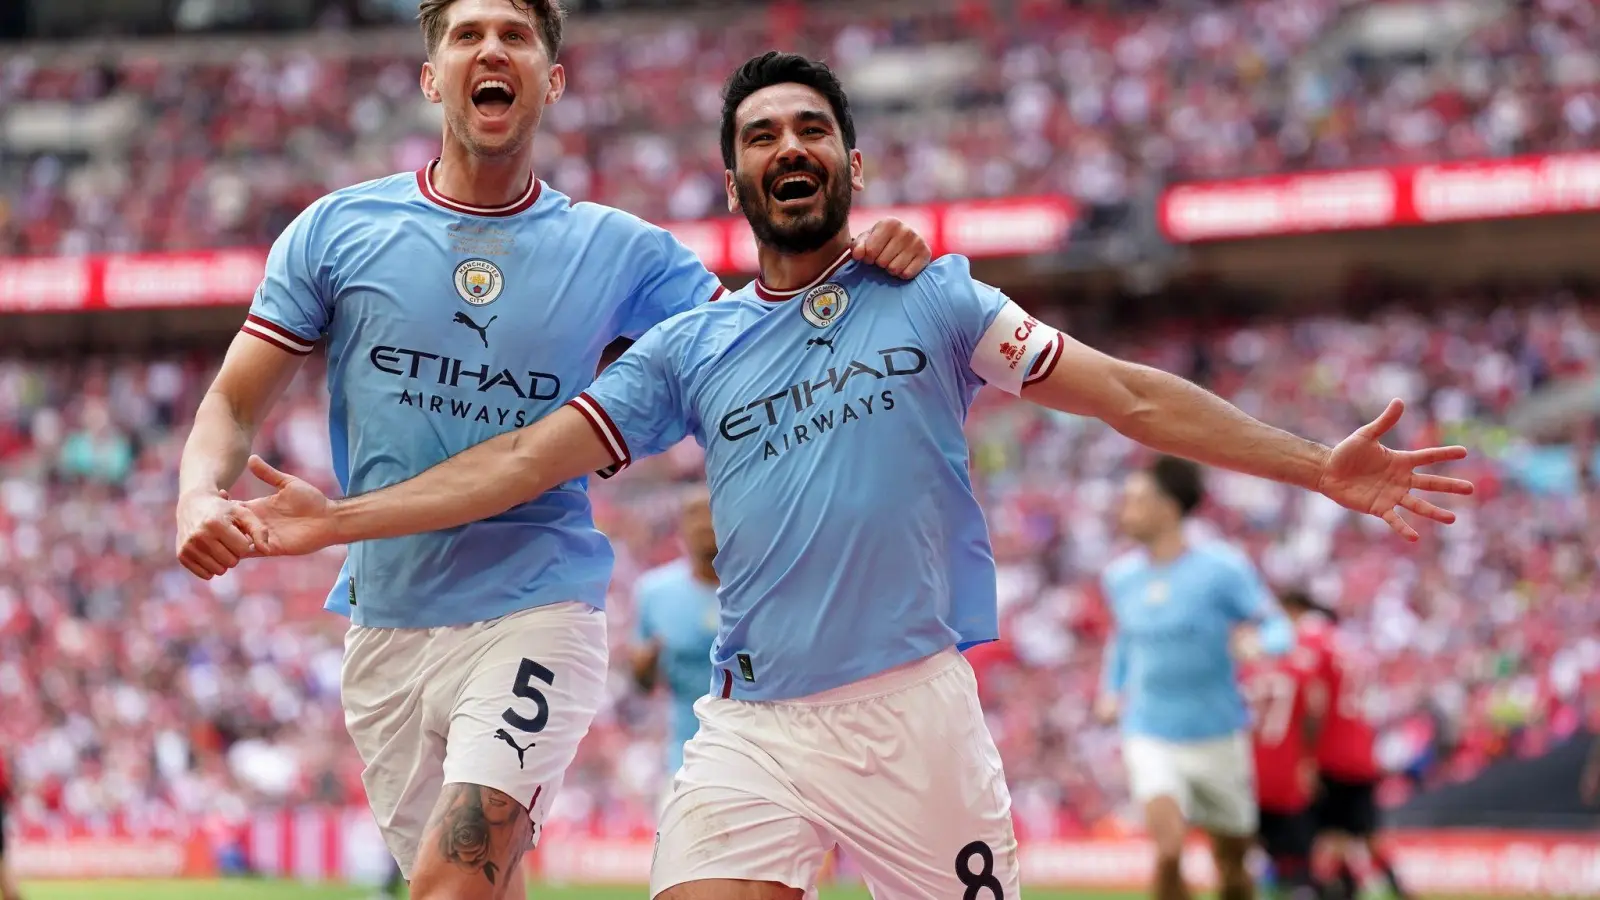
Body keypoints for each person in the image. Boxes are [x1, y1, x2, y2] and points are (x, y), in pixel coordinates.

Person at [229, 52, 1474, 900]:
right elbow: (516, 459)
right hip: (752, 729)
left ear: (851, 166)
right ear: (733, 181)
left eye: (811, 130)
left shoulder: (934, 298)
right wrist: (334, 520)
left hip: (914, 719)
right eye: (761, 135)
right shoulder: (689, 348)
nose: (788, 147)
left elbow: (1129, 394)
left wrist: (1317, 465)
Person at [170, 1, 933, 896]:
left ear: (551, 81)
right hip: (386, 627)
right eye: (466, 35)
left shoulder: (621, 252)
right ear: (430, 78)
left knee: (454, 882)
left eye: (516, 36)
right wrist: (195, 493)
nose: (492, 49)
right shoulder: (335, 232)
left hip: (539, 607)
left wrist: (863, 264)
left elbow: (762, 340)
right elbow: (230, 400)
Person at [1097, 456, 1297, 900]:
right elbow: (1124, 641)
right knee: (1168, 849)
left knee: (1232, 868)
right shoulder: (1119, 578)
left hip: (1217, 735)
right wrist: (1111, 690)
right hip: (1150, 731)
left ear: (1168, 508)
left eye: (1135, 499)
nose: (1124, 509)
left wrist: (1260, 645)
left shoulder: (1222, 569)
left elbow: (1277, 626)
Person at [1297, 597, 1412, 900]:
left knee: (1328, 832)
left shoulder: (1313, 642)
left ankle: (1321, 889)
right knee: (1360, 831)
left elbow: (1314, 699)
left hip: (1332, 753)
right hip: (1361, 751)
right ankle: (1379, 888)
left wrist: (1304, 754)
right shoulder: (1354, 650)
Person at [629, 487, 720, 808]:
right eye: (693, 514)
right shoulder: (653, 593)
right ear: (680, 526)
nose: (703, 523)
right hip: (685, 752)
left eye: (710, 511)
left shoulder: (757, 587)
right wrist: (645, 665)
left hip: (757, 749)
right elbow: (643, 686)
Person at [1238, 590, 1329, 900]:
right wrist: (1310, 761)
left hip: (1249, 773)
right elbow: (1314, 714)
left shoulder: (1244, 672)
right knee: (1296, 857)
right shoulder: (1299, 670)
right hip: (1287, 770)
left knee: (1251, 849)